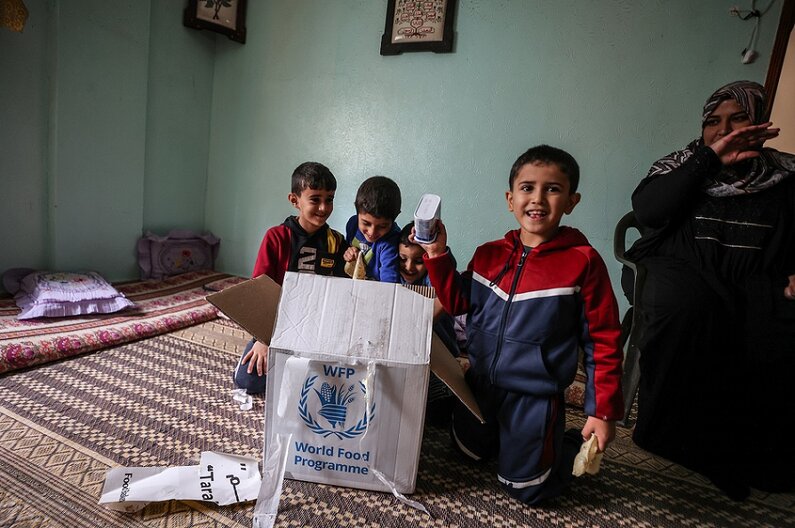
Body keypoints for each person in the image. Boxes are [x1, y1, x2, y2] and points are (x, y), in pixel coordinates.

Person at [416, 145, 624, 505]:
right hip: (481, 385)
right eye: (527, 188)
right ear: (510, 199)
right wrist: (437, 254)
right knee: (466, 452)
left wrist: (601, 411)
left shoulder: (583, 262)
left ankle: (565, 440)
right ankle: (504, 440)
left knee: (529, 490)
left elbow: (603, 341)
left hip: (535, 394)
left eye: (553, 189)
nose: (538, 199)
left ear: (572, 201)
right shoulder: (489, 253)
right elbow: (459, 302)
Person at [624, 80, 795, 500]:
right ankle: (666, 436)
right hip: (678, 268)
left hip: (757, 277)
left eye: (737, 118)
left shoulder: (785, 172)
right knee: (686, 311)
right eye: (713, 122)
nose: (723, 129)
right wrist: (708, 160)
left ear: (757, 122)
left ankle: (750, 453)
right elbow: (649, 210)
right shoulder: (682, 164)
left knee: (772, 330)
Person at [234, 161, 349, 394]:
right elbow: (260, 291)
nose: (324, 207)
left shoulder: (336, 241)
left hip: (317, 328)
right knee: (248, 382)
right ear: (295, 200)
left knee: (334, 382)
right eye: (315, 199)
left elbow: (341, 292)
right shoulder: (277, 237)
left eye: (330, 199)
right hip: (278, 327)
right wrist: (262, 339)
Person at [398, 221, 464, 425]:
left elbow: (445, 280)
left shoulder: (434, 282)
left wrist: (436, 252)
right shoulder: (393, 279)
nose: (409, 267)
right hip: (407, 363)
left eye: (418, 261)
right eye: (402, 259)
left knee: (437, 416)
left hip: (439, 362)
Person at [344, 176, 402, 283]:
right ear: (357, 212)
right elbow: (347, 250)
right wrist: (349, 253)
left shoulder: (391, 242)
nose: (372, 232)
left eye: (382, 226)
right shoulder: (352, 224)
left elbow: (389, 284)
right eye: (366, 223)